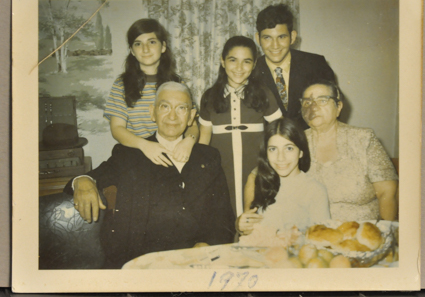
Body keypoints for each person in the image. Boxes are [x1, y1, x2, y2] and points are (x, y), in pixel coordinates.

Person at [64, 82, 235, 269]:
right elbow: (89, 178)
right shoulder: (129, 154)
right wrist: (82, 181)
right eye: (165, 107)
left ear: (191, 116)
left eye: (181, 108)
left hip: (197, 260)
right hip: (143, 262)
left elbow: (223, 217)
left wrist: (206, 245)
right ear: (152, 113)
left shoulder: (208, 157)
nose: (172, 116)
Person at [199, 36, 282, 217]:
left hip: (254, 165)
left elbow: (279, 131)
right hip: (221, 167)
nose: (239, 68)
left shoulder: (264, 94)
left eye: (246, 62)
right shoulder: (210, 96)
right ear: (222, 61)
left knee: (254, 210)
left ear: (253, 66)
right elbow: (204, 139)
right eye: (232, 60)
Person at [104, 18, 199, 167]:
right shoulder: (121, 85)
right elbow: (117, 129)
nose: (145, 49)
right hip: (137, 154)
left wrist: (189, 140)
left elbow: (192, 124)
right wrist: (145, 146)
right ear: (132, 51)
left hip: (173, 154)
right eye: (138, 44)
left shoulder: (177, 84)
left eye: (152, 42)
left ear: (163, 47)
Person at [300, 80, 398, 221]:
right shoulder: (294, 142)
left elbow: (387, 192)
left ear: (338, 106)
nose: (313, 107)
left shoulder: (363, 139)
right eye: (307, 102)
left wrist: (386, 231)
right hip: (311, 233)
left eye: (322, 100)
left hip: (360, 233)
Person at [236, 117, 330, 236]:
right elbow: (247, 229)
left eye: (289, 148)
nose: (281, 158)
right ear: (266, 153)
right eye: (273, 149)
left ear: (301, 152)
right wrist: (241, 225)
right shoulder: (258, 180)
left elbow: (321, 240)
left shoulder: (315, 190)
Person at [254, 4, 336, 129]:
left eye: (281, 37)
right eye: (267, 38)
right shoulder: (250, 71)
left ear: (292, 37)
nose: (275, 45)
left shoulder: (315, 64)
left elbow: (332, 110)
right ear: (257, 38)